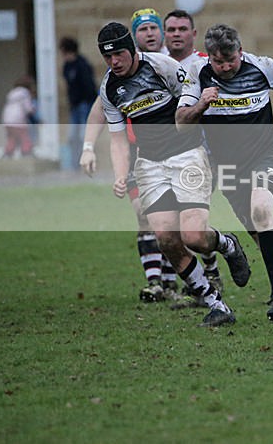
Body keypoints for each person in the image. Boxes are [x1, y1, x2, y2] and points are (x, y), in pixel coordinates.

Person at [96, 21, 249, 327]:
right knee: (166, 238)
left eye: (120, 54)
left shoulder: (161, 66)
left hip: (187, 156)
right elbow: (116, 138)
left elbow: (192, 104)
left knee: (193, 235)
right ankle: (214, 303)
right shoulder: (109, 88)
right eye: (108, 57)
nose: (115, 62)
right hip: (149, 165)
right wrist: (119, 173)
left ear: (132, 49)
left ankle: (227, 244)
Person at [177, 23, 273, 326]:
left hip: (266, 157)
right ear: (209, 57)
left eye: (230, 60)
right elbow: (181, 122)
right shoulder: (198, 74)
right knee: (267, 242)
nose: (224, 67)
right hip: (229, 170)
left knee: (262, 210)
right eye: (218, 62)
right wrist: (201, 103)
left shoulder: (262, 67)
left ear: (240, 52)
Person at [164, 9, 222, 292]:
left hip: (200, 152)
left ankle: (206, 274)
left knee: (188, 219)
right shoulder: (156, 66)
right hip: (163, 154)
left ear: (194, 34)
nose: (176, 34)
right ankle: (198, 275)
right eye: (171, 29)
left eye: (182, 29)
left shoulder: (204, 65)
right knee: (169, 221)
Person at [59, 37, 97, 170]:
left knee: (83, 136)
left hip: (84, 105)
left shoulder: (82, 65)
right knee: (72, 137)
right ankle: (75, 165)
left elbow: (89, 86)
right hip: (75, 106)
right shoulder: (67, 67)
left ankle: (88, 163)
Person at [2, 75, 36, 157]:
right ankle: (26, 152)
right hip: (18, 119)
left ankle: (8, 153)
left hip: (7, 119)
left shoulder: (12, 93)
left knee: (11, 137)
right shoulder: (24, 93)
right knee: (24, 136)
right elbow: (27, 107)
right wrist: (33, 110)